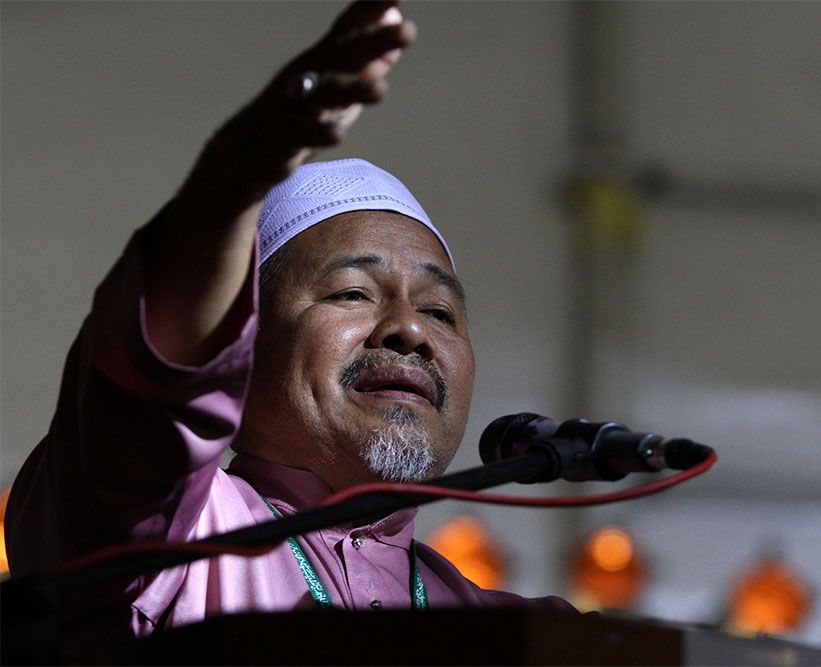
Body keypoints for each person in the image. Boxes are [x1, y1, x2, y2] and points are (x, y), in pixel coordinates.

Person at [4, 1, 570, 661]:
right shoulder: (177, 536)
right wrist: (229, 184)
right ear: (239, 348)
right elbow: (139, 408)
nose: (410, 329)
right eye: (353, 292)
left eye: (440, 312)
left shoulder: (522, 634)